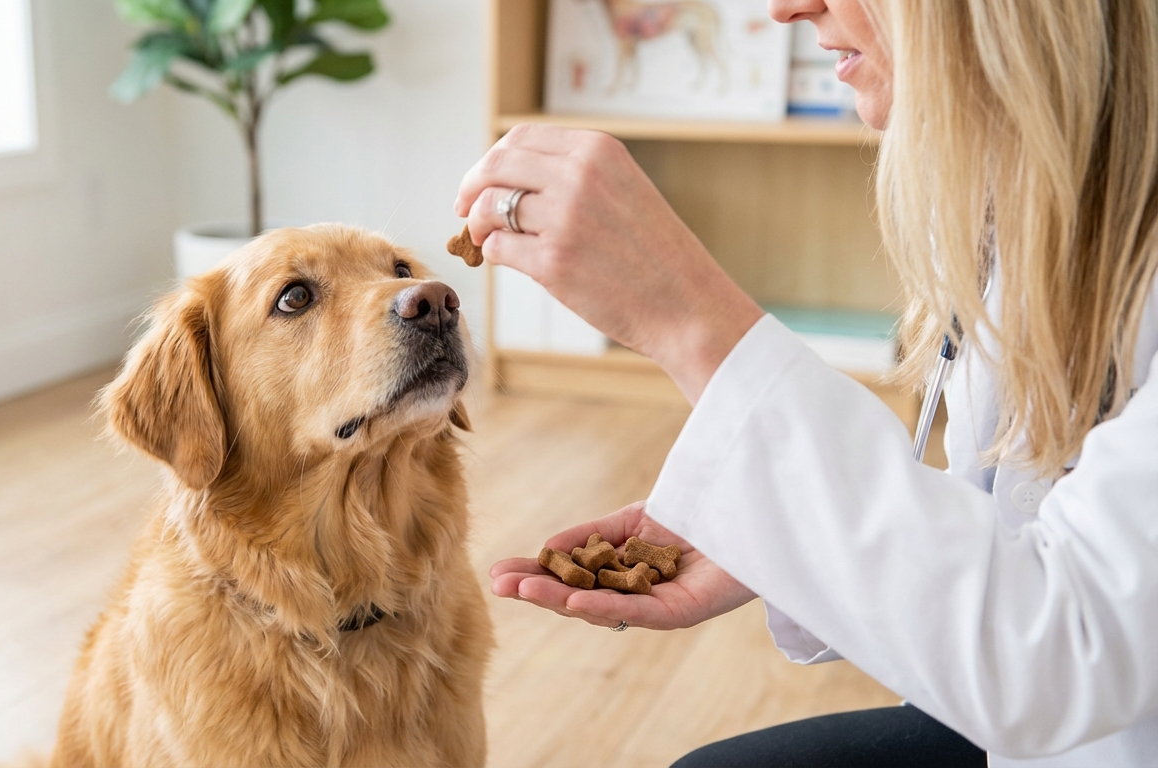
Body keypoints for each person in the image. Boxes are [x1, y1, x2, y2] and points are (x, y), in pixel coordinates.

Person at [455, 0, 1158, 765]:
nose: (787, 6)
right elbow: (1022, 524)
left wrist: (693, 318)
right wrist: (781, 527)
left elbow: (1056, 659)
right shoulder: (1021, 200)